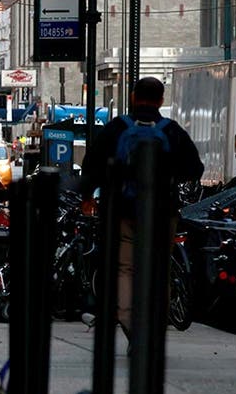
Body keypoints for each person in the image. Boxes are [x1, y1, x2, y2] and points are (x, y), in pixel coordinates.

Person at [80, 76, 204, 342]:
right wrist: (168, 177)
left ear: (134, 97)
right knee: (159, 267)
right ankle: (155, 323)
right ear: (161, 100)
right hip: (161, 212)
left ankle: (129, 321)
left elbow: (91, 165)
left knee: (125, 268)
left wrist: (88, 196)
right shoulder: (171, 130)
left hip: (122, 210)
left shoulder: (116, 128)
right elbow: (195, 168)